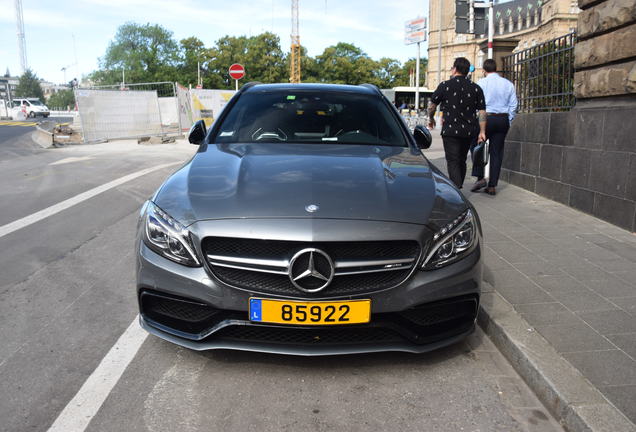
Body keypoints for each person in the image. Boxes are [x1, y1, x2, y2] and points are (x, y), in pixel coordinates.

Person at [428, 57, 486, 189]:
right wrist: (482, 131)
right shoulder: (476, 88)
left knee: (452, 160)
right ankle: (458, 185)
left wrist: (431, 119)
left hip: (450, 130)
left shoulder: (444, 85)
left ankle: (457, 187)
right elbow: (482, 111)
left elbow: (432, 106)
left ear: (454, 69)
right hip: (469, 130)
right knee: (462, 159)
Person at [470, 59, 518, 195]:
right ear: (496, 69)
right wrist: (508, 119)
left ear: (484, 70)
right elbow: (514, 105)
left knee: (476, 146)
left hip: (485, 118)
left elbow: (475, 104)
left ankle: (480, 177)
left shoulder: (480, 83)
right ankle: (492, 185)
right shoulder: (508, 84)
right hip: (502, 119)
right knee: (497, 153)